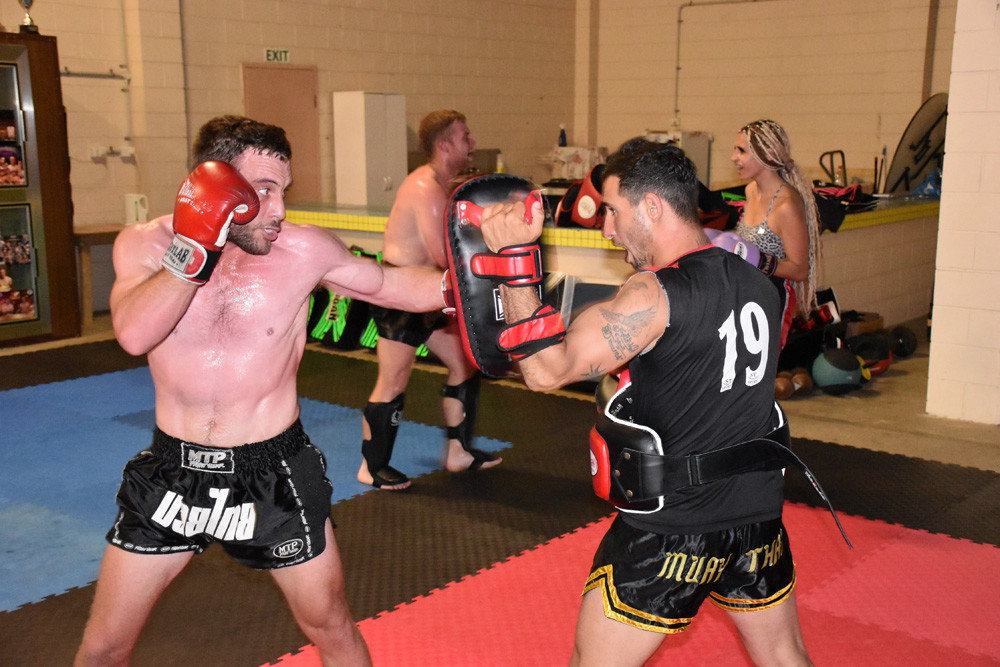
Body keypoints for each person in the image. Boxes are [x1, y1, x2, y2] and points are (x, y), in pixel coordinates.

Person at [74, 115, 451, 667]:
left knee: (330, 626)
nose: (279, 211)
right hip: (172, 472)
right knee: (104, 647)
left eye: (284, 191)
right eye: (265, 191)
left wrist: (467, 280)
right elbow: (133, 332)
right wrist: (195, 246)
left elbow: (391, 285)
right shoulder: (146, 245)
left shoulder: (303, 251)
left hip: (274, 472)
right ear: (215, 187)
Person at [478, 139, 813, 666]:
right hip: (757, 520)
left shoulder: (651, 296)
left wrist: (514, 260)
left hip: (672, 533)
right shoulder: (760, 285)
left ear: (652, 206)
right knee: (783, 655)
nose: (607, 229)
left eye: (612, 210)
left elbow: (545, 371)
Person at [358, 109, 500, 491]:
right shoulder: (425, 188)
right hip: (400, 295)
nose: (472, 143)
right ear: (444, 145)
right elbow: (445, 255)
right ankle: (370, 467)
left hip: (431, 294)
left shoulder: (443, 185)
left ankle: (458, 452)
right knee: (393, 381)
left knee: (465, 364)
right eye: (465, 136)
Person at [731, 119, 822, 324]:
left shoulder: (786, 205)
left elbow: (800, 270)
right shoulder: (751, 191)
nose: (733, 157)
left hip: (771, 301)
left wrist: (760, 261)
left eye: (741, 151)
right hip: (744, 297)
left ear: (767, 154)